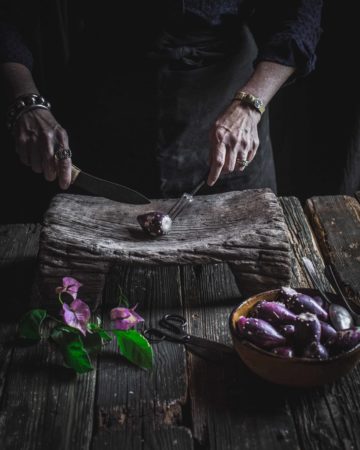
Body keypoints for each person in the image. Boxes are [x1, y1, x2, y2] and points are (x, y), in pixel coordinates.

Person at [0, 1, 323, 205]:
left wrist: (250, 105)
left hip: (228, 97)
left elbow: (300, 14)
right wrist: (26, 101)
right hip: (103, 101)